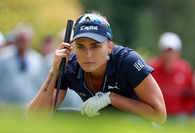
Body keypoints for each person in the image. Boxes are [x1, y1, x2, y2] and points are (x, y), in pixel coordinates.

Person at [28, 13, 167, 124]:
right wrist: (55, 71)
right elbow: (35, 118)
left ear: (109, 48)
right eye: (81, 46)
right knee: (59, 118)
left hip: (138, 124)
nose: (88, 55)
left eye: (95, 46)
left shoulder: (128, 61)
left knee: (131, 122)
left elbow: (159, 115)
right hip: (98, 124)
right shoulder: (69, 64)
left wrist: (110, 97)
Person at [147, 32, 195, 122]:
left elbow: (191, 95)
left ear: (179, 52)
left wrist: (188, 113)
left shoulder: (185, 70)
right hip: (155, 113)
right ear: (161, 51)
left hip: (179, 115)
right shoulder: (151, 68)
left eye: (172, 51)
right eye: (167, 51)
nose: (170, 54)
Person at [0, 22, 46, 109]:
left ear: (30, 41)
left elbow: (39, 84)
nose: (22, 43)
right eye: (19, 40)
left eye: (24, 40)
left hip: (26, 105)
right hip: (5, 105)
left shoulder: (37, 60)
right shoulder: (4, 57)